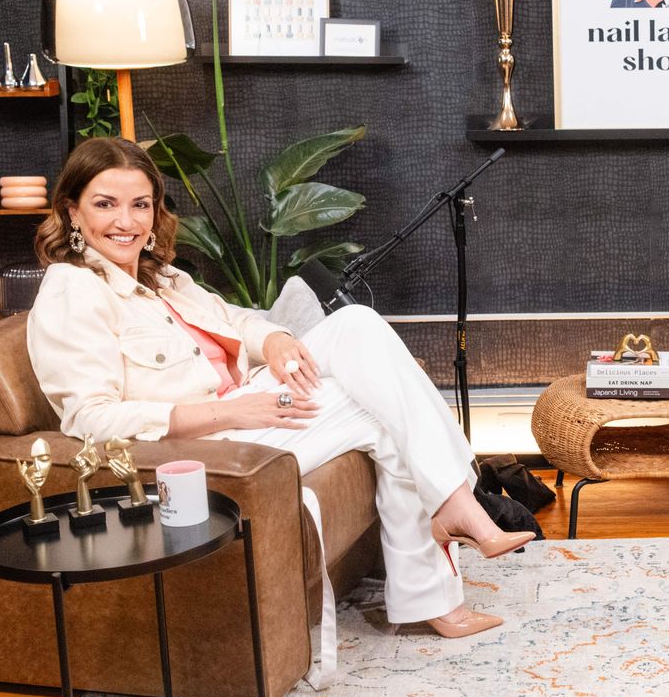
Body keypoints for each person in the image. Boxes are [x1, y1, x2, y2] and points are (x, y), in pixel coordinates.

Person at [26, 138, 532, 654]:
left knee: (357, 327)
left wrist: (275, 339)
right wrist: (230, 410)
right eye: (105, 204)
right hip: (204, 445)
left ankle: (449, 537)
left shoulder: (163, 278)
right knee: (379, 410)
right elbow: (90, 419)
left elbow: (235, 320)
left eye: (140, 205)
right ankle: (448, 544)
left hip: (246, 408)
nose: (126, 222)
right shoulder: (73, 292)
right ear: (71, 210)